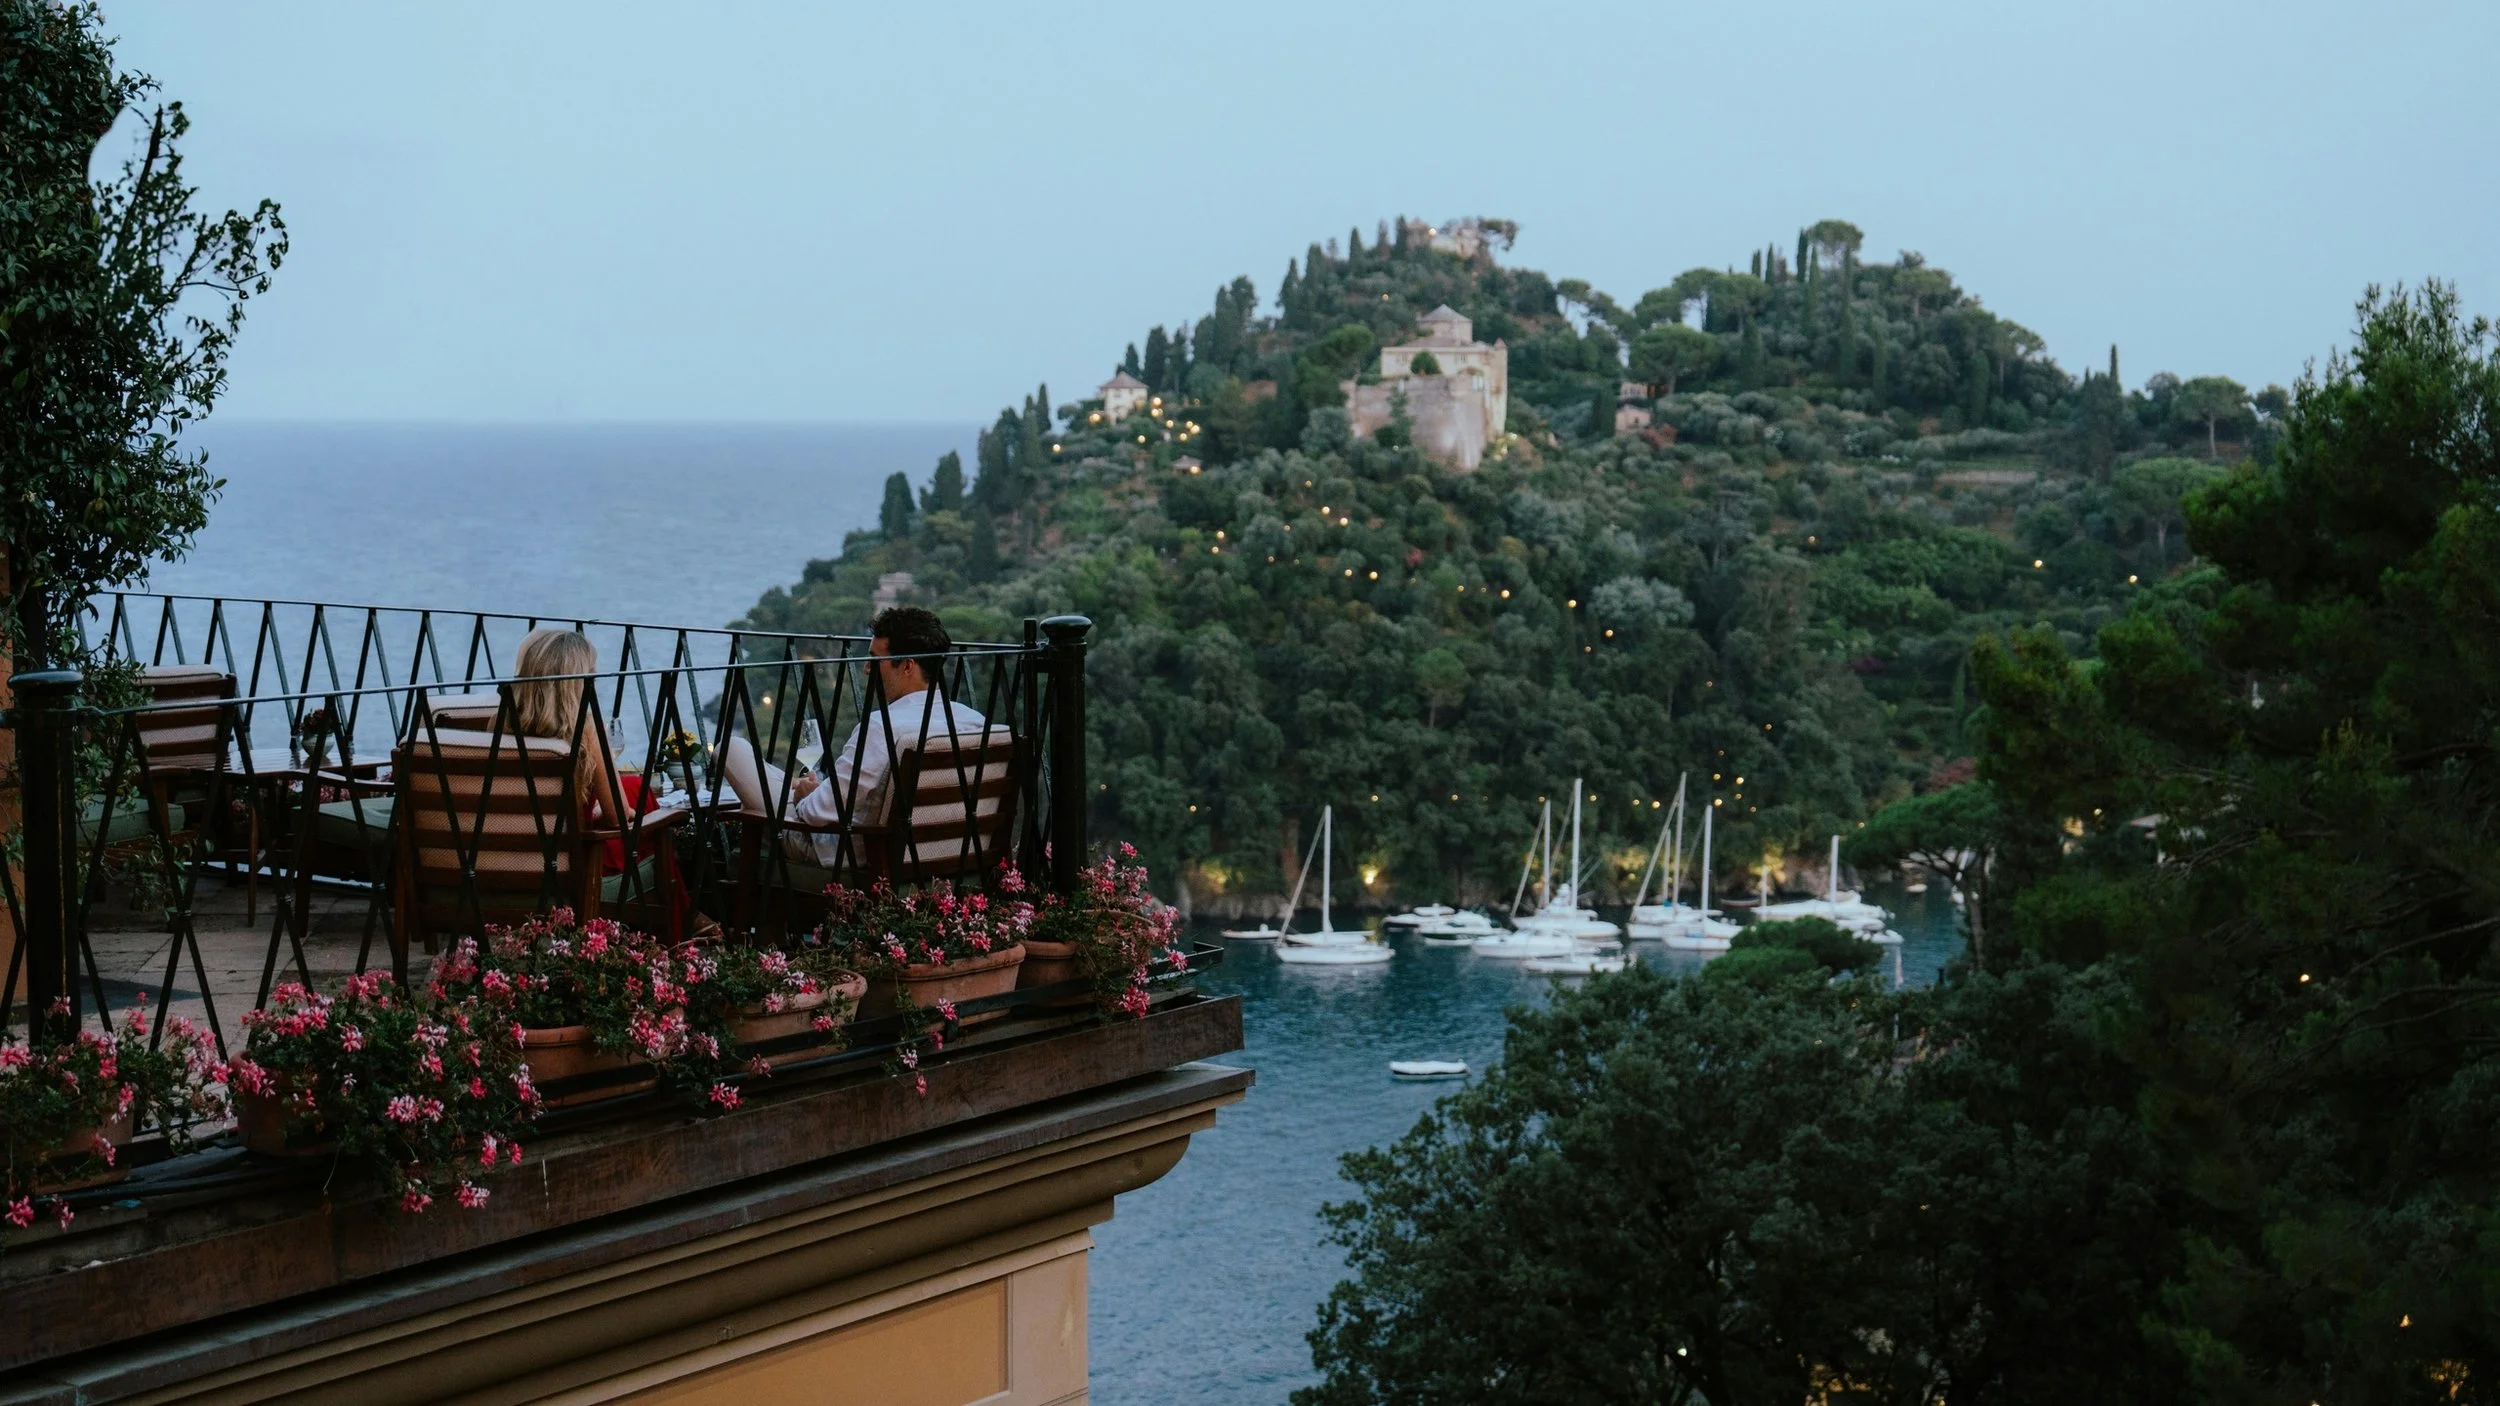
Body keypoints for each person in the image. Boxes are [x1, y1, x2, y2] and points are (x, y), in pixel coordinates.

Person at [718, 605, 986, 863]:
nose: (866, 668)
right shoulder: (975, 723)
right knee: (792, 784)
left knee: (730, 750)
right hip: (944, 854)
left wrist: (805, 798)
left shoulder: (883, 728)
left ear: (907, 666)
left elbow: (815, 814)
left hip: (844, 852)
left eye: (875, 659)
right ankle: (799, 786)